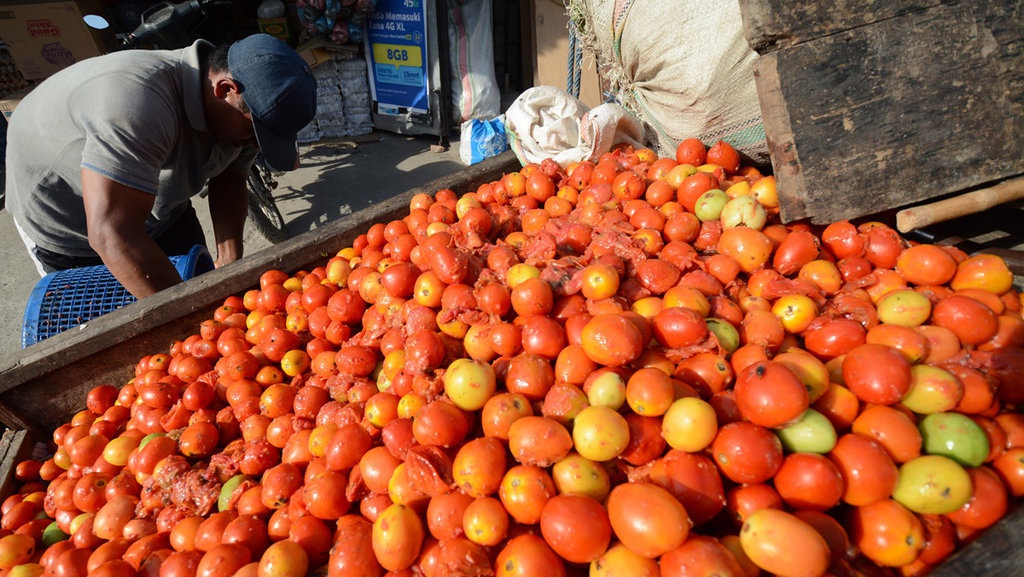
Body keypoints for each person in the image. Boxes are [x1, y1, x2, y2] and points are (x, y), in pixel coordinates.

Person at [4, 33, 316, 298]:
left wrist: (229, 262)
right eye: (253, 134)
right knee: (112, 321)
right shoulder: (138, 106)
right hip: (68, 225)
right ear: (225, 89)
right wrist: (187, 317)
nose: (254, 145)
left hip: (152, 205)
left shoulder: (238, 120)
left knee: (195, 281)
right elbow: (112, 232)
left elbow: (231, 178)